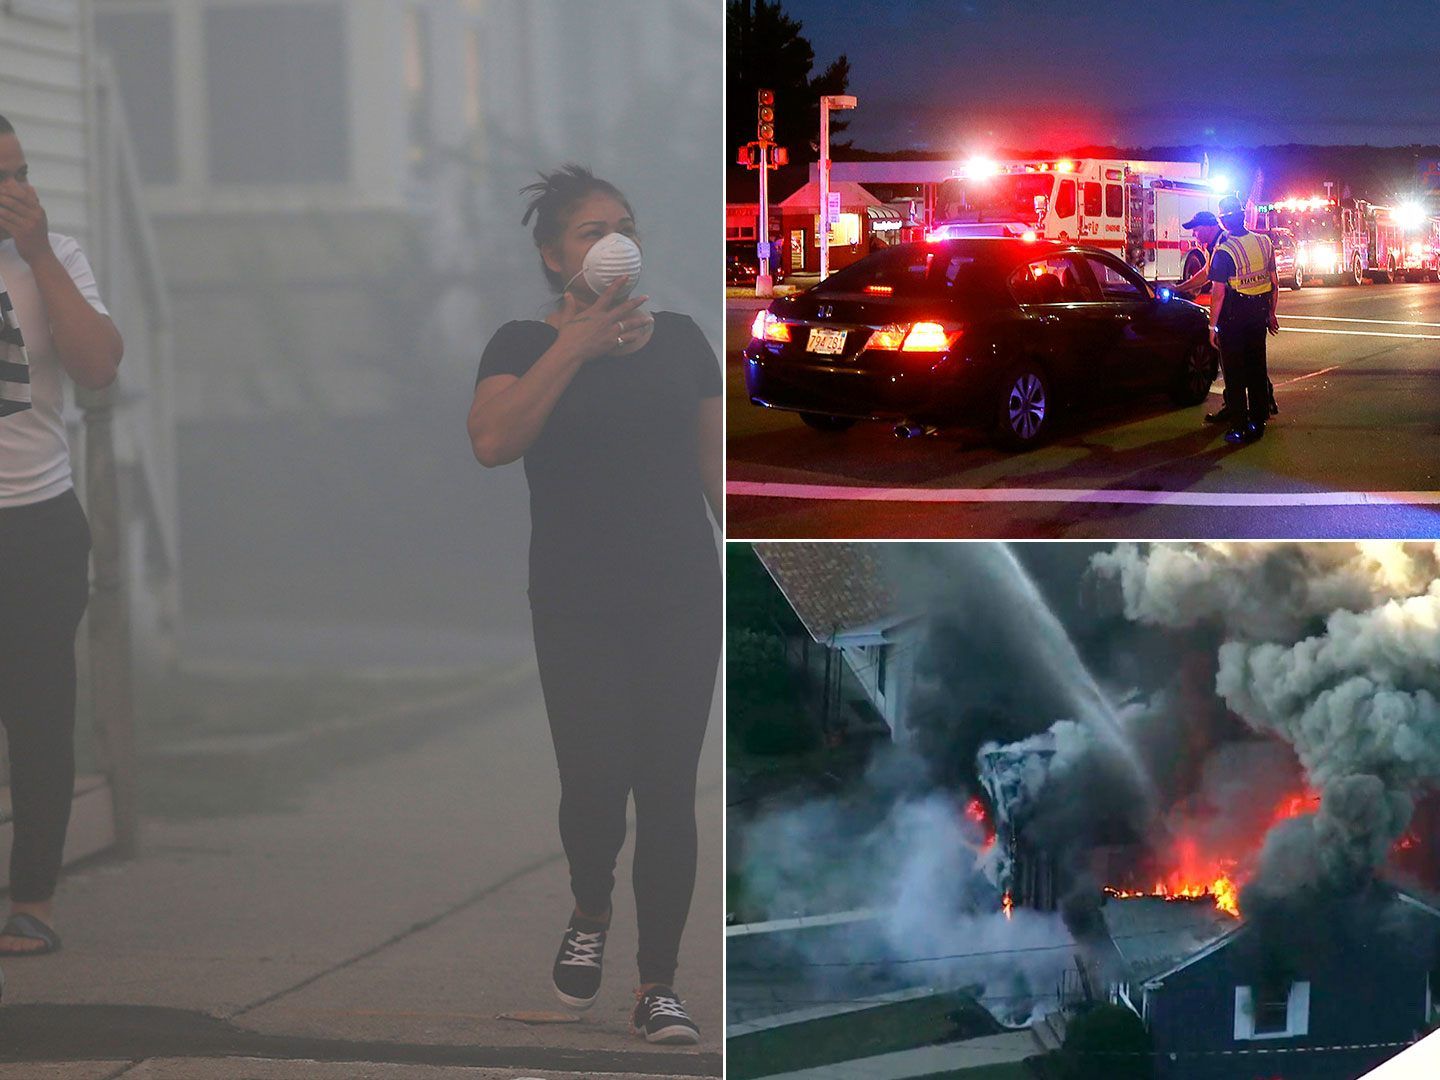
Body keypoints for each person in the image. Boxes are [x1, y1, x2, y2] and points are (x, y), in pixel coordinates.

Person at [467, 165, 720, 1045]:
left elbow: (716, 478)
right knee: (593, 785)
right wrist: (573, 345)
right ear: (552, 255)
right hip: (576, 600)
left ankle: (659, 985)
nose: (614, 240)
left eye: (625, 223)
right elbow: (493, 441)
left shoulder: (685, 341)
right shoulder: (515, 343)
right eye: (589, 230)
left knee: (666, 790)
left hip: (681, 595)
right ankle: (588, 907)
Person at [0, 114, 123, 957]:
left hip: (34, 519)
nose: (15, 191)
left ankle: (33, 897)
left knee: (39, 714)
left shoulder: (56, 256)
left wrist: (38, 255)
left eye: (21, 171)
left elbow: (99, 365)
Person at [1207, 194, 1279, 445]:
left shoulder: (1224, 251)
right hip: (1258, 314)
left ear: (1224, 221)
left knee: (1235, 375)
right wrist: (1271, 313)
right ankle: (1258, 420)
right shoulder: (1264, 242)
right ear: (1242, 216)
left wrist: (1212, 325)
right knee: (1258, 368)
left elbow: (1218, 293)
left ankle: (1238, 426)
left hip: (1233, 318)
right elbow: (1274, 282)